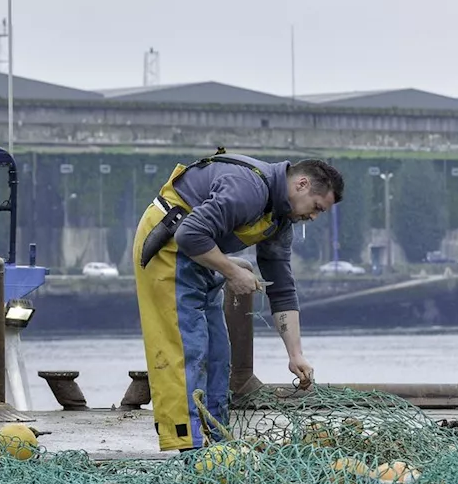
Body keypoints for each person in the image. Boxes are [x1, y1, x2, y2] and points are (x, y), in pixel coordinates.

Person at [132, 150, 343, 452]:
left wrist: (296, 355)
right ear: (302, 185)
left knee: (218, 352)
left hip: (199, 256)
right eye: (316, 207)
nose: (313, 216)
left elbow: (282, 288)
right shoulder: (249, 189)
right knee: (185, 349)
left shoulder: (279, 221)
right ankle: (191, 447)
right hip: (167, 248)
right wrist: (232, 270)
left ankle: (217, 442)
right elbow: (190, 235)